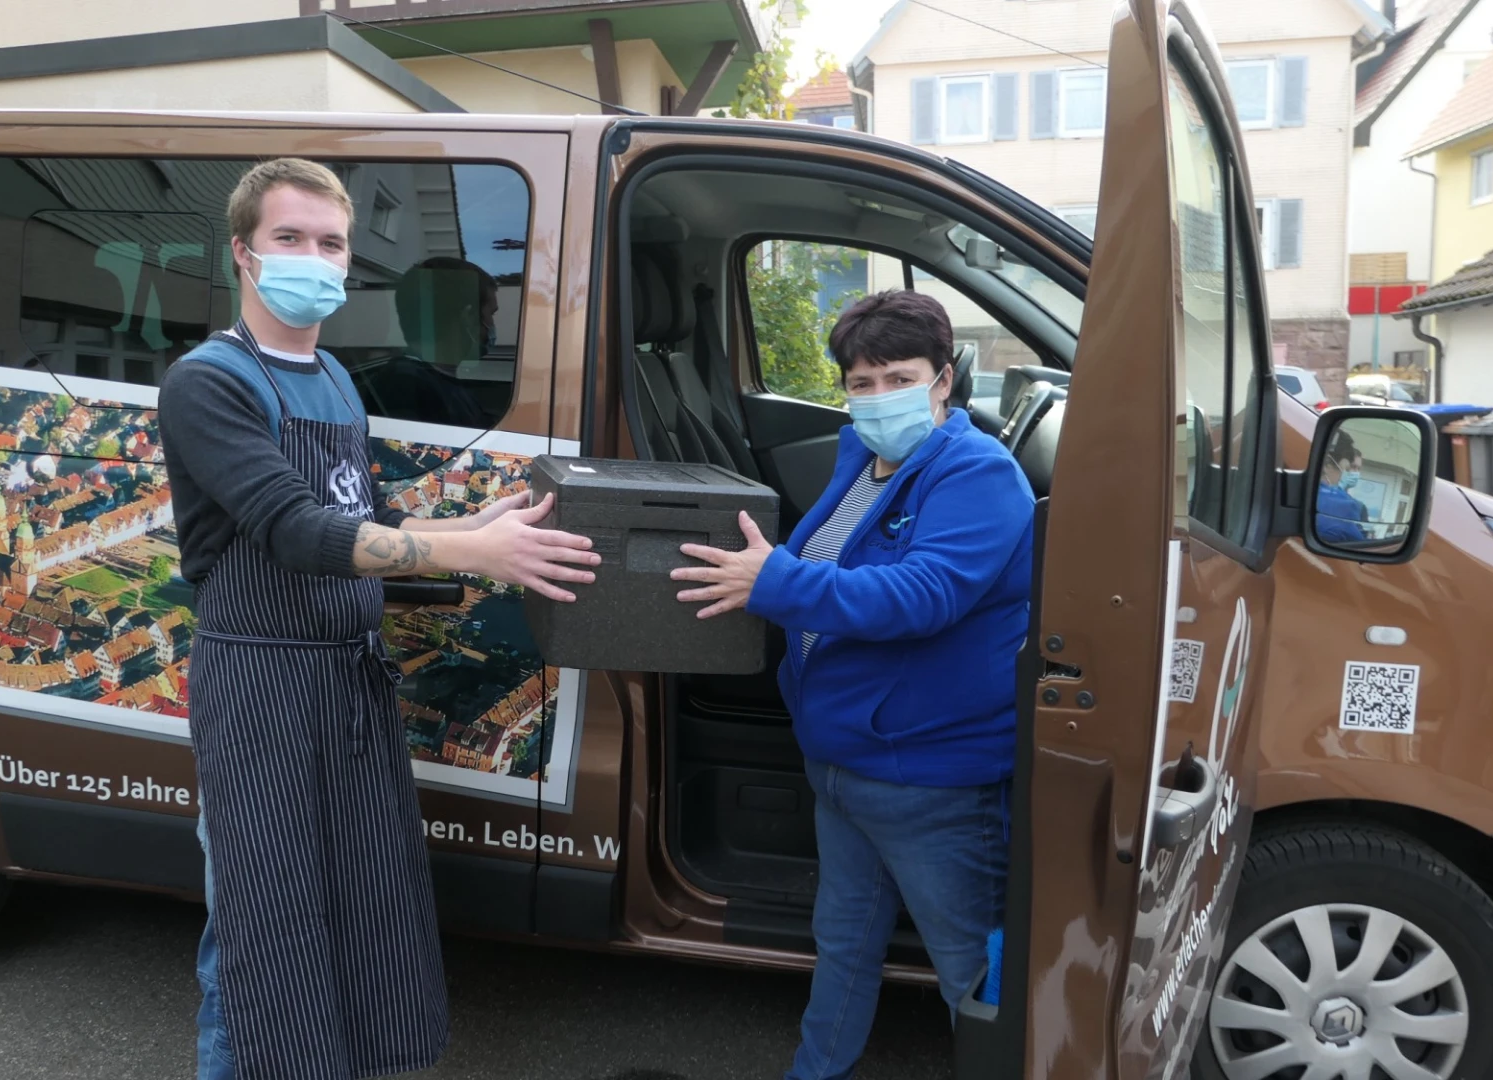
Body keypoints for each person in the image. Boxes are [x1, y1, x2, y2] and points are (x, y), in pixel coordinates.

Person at [156, 158, 599, 1080]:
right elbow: (295, 529)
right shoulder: (210, 381)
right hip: (262, 689)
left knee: (359, 905)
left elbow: (362, 516)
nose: (312, 257)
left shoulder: (334, 380)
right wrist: (473, 556)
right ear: (244, 253)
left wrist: (463, 527)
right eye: (290, 238)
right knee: (258, 934)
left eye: (329, 242)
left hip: (344, 683)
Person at [670, 290, 1034, 1080]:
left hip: (932, 778)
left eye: (896, 377)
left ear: (944, 380)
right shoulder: (864, 459)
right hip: (842, 762)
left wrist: (774, 581)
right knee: (841, 946)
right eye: (859, 382)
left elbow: (923, 595)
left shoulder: (979, 475)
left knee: (972, 976)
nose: (875, 398)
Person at [375, 257, 496, 429]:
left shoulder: (439, 380)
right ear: (468, 318)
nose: (492, 325)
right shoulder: (404, 387)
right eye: (492, 313)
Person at [1316, 429, 1371, 545]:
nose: (1353, 473)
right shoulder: (1348, 506)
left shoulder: (1358, 507)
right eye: (1347, 468)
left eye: (1358, 469)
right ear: (1327, 465)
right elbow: (1359, 545)